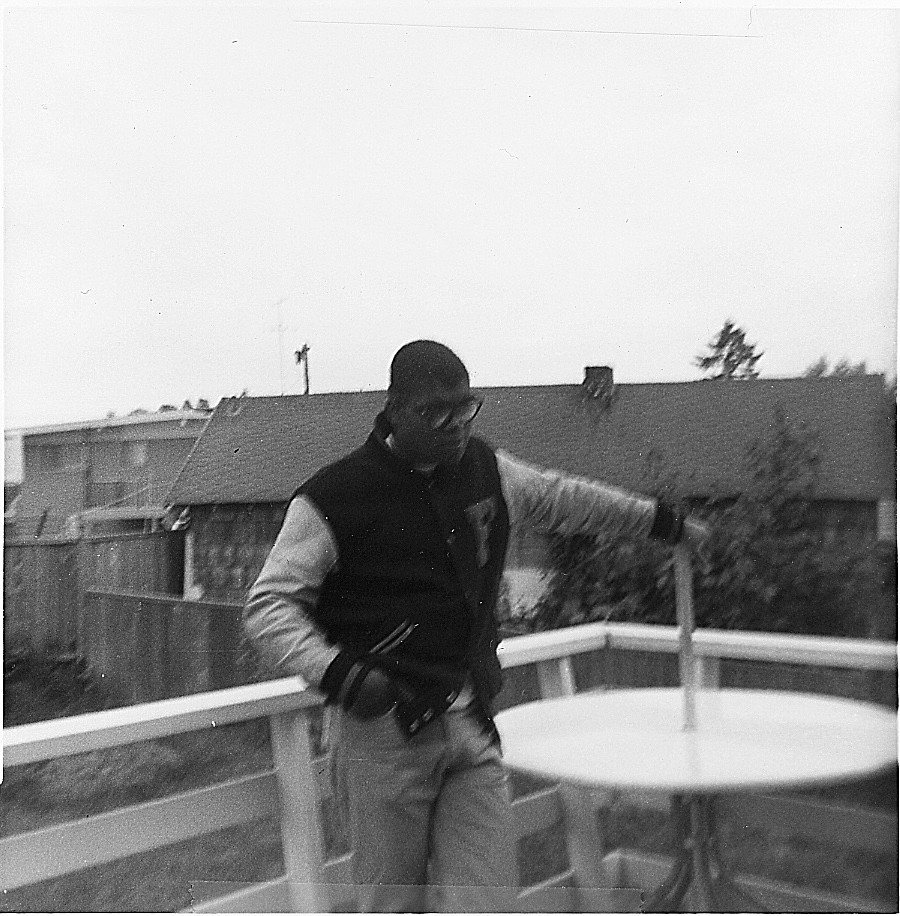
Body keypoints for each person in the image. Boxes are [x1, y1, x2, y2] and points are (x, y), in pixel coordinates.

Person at [243, 340, 709, 913]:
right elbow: (268, 606)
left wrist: (664, 523)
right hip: (381, 739)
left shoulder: (486, 470)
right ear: (394, 409)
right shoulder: (335, 496)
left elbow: (566, 498)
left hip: (470, 725)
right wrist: (339, 674)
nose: (455, 426)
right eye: (436, 412)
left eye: (465, 408)